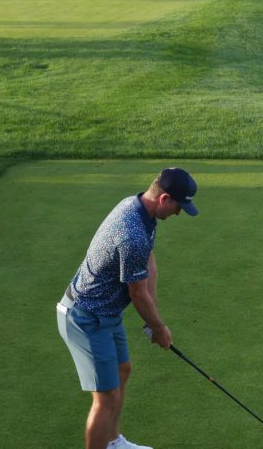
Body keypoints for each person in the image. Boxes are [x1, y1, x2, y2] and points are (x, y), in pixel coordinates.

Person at [56, 167, 199, 449]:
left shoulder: (139, 210)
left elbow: (149, 262)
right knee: (105, 398)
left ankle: (112, 442)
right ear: (164, 198)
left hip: (106, 314)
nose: (179, 213)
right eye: (179, 206)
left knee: (123, 369)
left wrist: (153, 319)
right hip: (85, 319)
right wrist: (159, 328)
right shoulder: (131, 232)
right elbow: (137, 293)